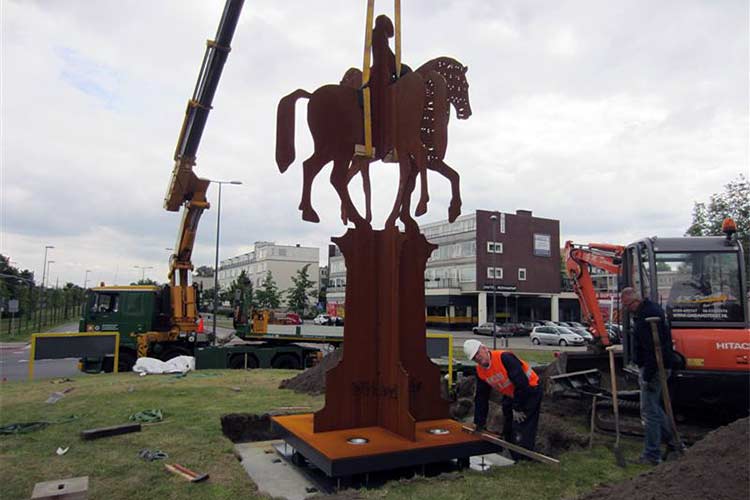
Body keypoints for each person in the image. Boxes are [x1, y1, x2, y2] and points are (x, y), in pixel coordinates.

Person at [620, 286, 682, 465]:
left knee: (649, 412)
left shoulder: (648, 316)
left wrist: (647, 375)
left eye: (627, 305)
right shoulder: (646, 311)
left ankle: (652, 454)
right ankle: (674, 443)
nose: (627, 309)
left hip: (654, 368)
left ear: (635, 301)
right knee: (654, 407)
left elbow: (653, 350)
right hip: (655, 366)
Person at [463, 339, 543, 459]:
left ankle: (524, 458)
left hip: (530, 390)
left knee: (522, 425)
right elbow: (481, 398)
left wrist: (517, 407)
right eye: (474, 358)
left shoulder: (504, 358)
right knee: (508, 424)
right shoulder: (480, 372)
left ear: (484, 348)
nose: (478, 358)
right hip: (511, 393)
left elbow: (522, 383)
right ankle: (512, 453)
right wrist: (479, 423)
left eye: (478, 354)